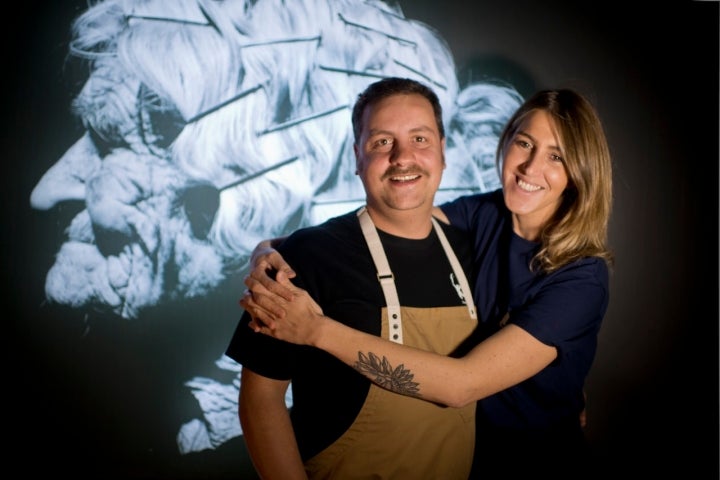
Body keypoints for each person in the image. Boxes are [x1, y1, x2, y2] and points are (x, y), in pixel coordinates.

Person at [242, 88, 613, 478]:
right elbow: (402, 211)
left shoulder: (582, 278)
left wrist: (315, 331)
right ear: (506, 144)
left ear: (580, 172)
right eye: (524, 143)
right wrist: (266, 252)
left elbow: (460, 387)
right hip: (467, 462)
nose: (530, 167)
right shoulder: (485, 216)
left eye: (556, 156)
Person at [225, 77, 482, 479]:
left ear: (443, 152)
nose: (402, 157)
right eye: (381, 142)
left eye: (420, 138)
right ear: (356, 157)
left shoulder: (474, 255)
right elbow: (260, 398)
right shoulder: (306, 257)